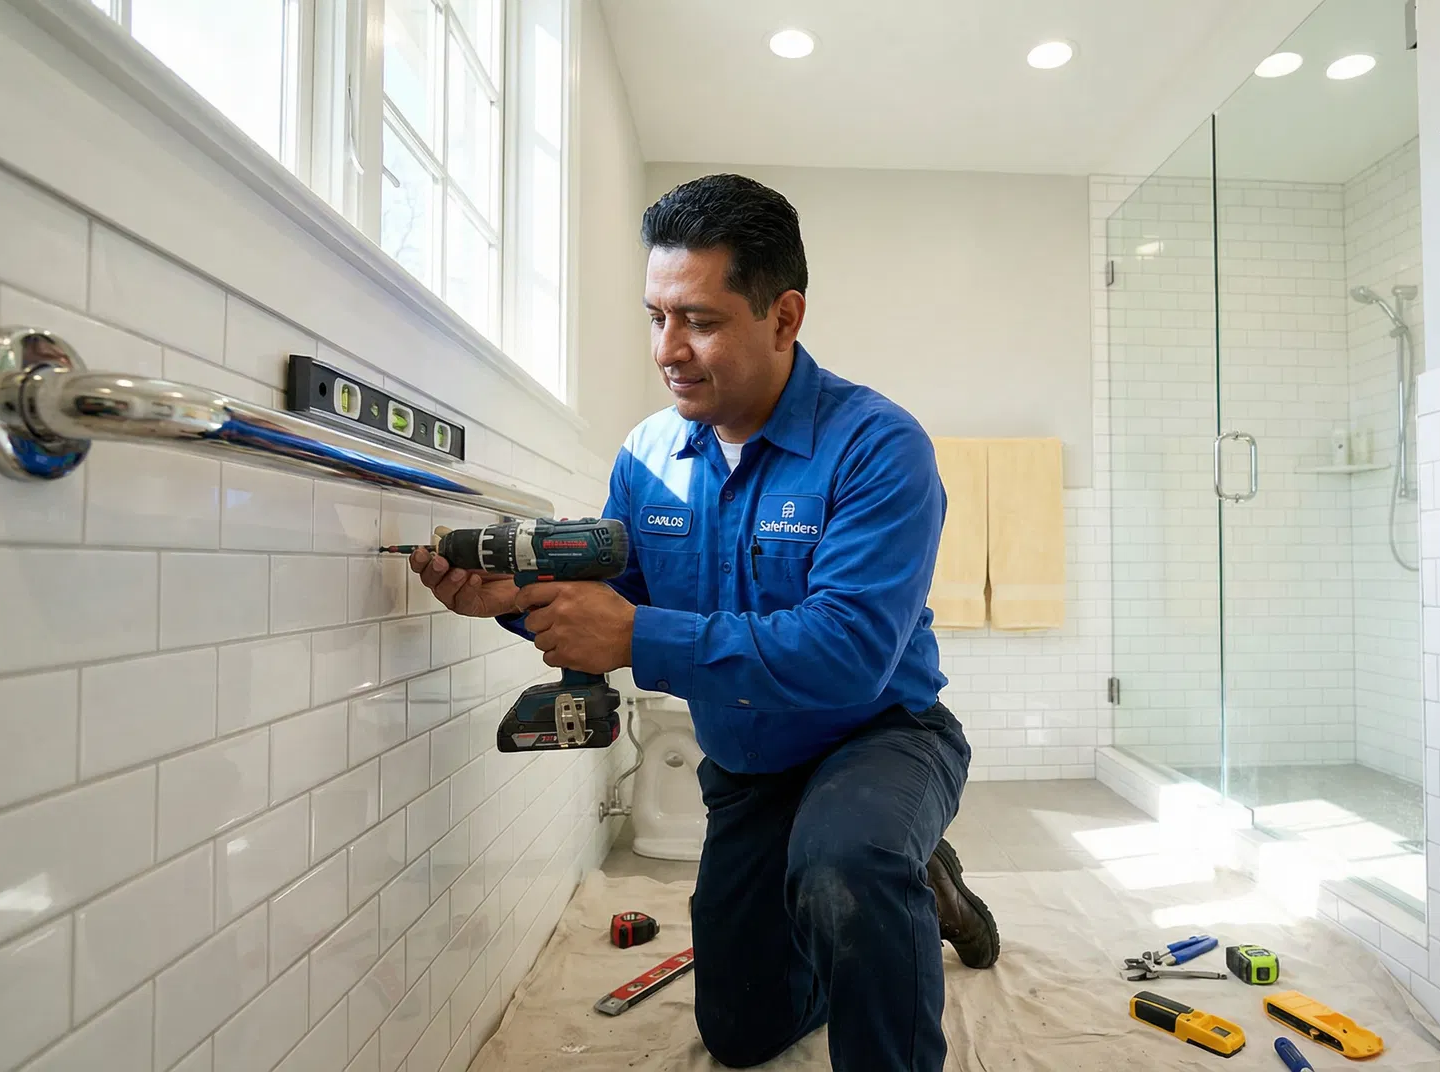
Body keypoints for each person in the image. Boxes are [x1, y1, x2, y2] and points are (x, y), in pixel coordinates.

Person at [407, 173, 999, 1071]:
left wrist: (636, 637)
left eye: (701, 321)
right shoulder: (648, 456)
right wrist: (514, 606)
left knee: (846, 862)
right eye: (656, 317)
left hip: (880, 736)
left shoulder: (879, 447)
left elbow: (847, 654)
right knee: (740, 1032)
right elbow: (616, 606)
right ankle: (908, 883)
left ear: (784, 318)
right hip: (751, 766)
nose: (669, 349)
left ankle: (886, 874)